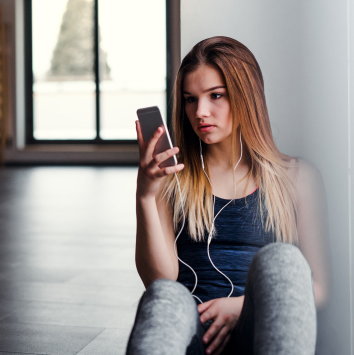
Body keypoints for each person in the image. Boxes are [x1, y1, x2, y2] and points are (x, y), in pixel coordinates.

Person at [127, 36, 328, 355]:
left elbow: (318, 289)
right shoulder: (173, 182)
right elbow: (159, 282)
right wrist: (145, 196)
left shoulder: (297, 177)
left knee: (285, 261)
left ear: (246, 96)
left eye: (215, 96)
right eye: (190, 99)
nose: (200, 112)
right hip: (193, 334)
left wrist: (239, 307)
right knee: (167, 297)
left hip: (258, 330)